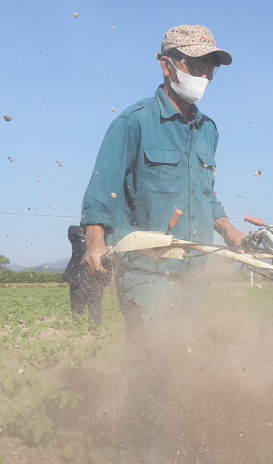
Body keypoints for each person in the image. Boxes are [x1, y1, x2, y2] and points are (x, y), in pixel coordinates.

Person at [79, 24, 247, 331]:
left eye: (210, 69)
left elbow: (205, 194)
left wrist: (229, 231)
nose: (204, 76)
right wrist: (94, 243)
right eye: (195, 66)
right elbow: (102, 190)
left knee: (189, 358)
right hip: (146, 269)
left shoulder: (208, 130)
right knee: (155, 355)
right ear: (166, 66)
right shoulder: (134, 121)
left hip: (195, 270)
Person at [63, 225, 108, 325]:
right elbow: (72, 232)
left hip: (95, 277)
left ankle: (95, 329)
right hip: (78, 276)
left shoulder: (100, 239)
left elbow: (103, 260)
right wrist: (90, 228)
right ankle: (78, 328)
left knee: (95, 306)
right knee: (77, 307)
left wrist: (106, 280)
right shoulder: (76, 234)